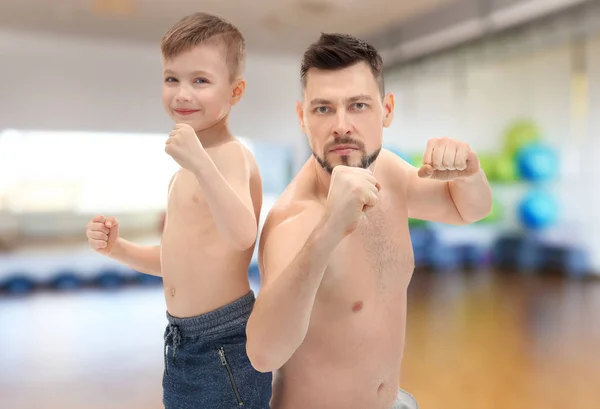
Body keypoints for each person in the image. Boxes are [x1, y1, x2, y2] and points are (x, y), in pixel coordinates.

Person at [246, 33, 492, 409]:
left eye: (358, 105)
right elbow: (263, 354)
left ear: (387, 109)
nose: (341, 125)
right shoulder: (294, 220)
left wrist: (470, 173)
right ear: (302, 117)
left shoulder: (388, 172)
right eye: (323, 109)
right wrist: (330, 228)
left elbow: (468, 210)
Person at [85, 12, 272, 409]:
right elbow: (177, 263)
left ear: (235, 92)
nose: (182, 93)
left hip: (224, 341)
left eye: (200, 80)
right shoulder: (184, 174)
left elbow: (242, 235)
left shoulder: (230, 156)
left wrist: (200, 164)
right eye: (172, 78)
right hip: (181, 340)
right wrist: (117, 249)